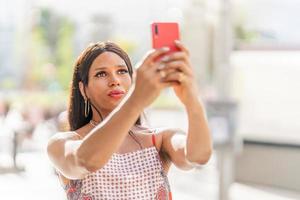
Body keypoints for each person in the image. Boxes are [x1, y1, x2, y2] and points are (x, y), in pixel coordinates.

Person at [47, 41, 212, 200]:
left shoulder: (159, 139)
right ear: (84, 89)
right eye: (101, 74)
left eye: (122, 71)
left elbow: (198, 156)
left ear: (132, 79)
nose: (115, 81)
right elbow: (86, 161)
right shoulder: (63, 143)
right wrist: (135, 100)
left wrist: (191, 98)